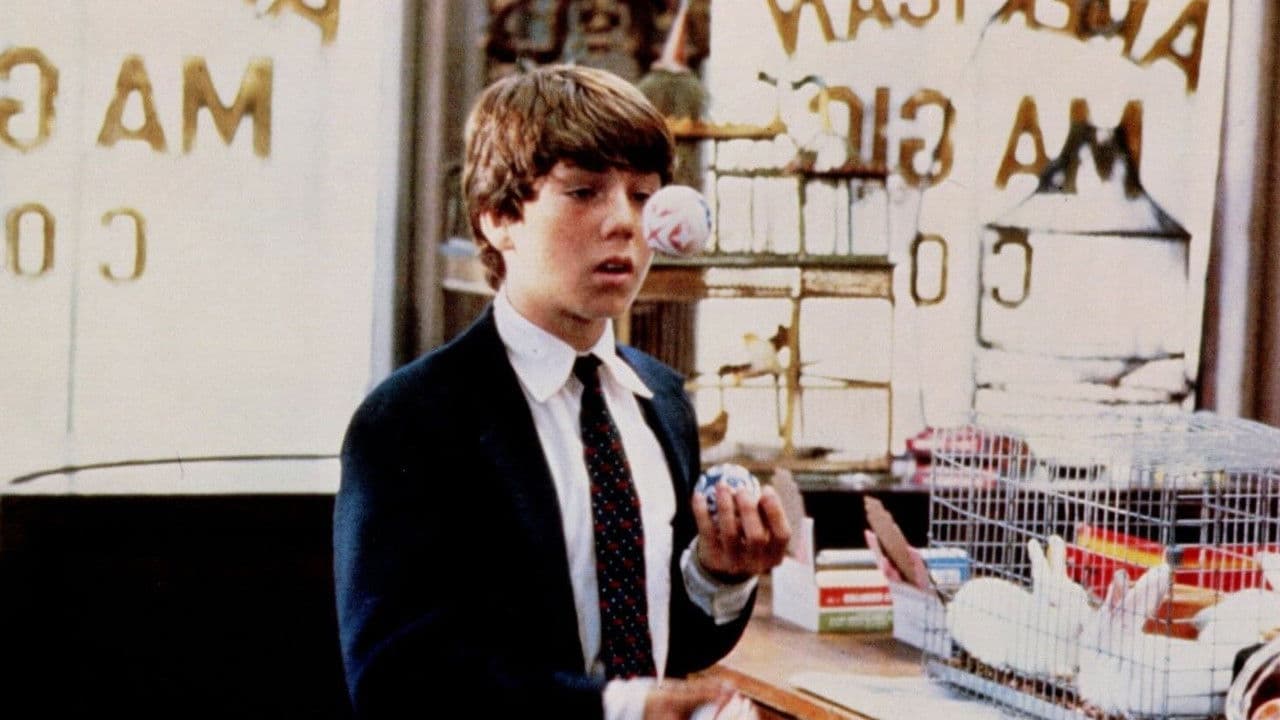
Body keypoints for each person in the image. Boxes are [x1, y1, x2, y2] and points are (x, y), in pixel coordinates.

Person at [333, 64, 791, 720]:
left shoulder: (661, 401)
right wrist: (619, 709)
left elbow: (669, 641)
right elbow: (398, 682)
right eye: (583, 192)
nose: (625, 223)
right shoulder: (411, 421)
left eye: (643, 196)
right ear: (499, 218)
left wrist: (719, 574)